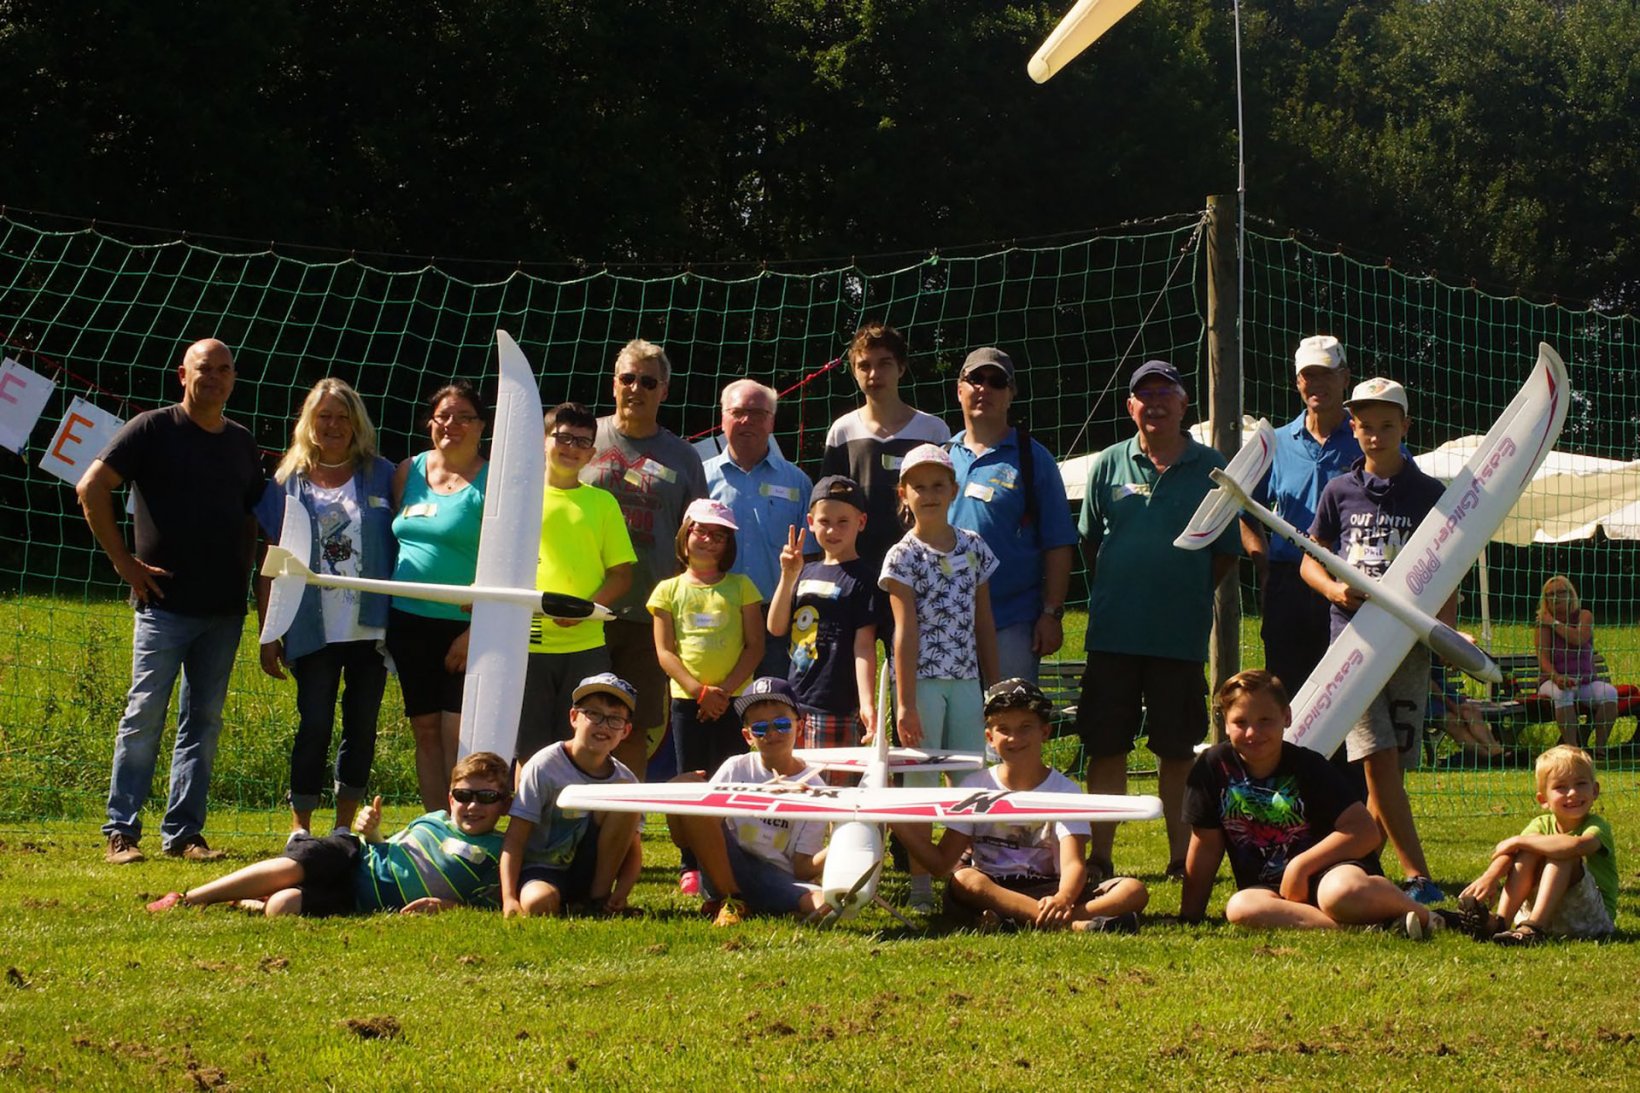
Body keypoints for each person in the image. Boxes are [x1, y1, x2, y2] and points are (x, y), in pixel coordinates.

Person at [76, 337, 266, 864]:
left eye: (225, 369)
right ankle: (121, 831)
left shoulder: (242, 442)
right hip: (163, 605)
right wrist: (124, 563)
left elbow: (257, 518)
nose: (215, 377)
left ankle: (184, 835)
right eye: (205, 368)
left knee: (202, 724)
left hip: (224, 610)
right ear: (183, 375)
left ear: (234, 379)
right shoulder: (151, 429)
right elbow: (91, 488)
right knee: (143, 717)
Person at [1075, 359, 1239, 881]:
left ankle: (1180, 860)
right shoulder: (1108, 463)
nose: (1155, 404)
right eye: (1144, 395)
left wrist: (1181, 592)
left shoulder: (1211, 466)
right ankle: (1099, 857)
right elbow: (1090, 543)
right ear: (1130, 407)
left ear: (1184, 404)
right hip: (1112, 635)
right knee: (1106, 747)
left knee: (1177, 750)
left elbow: (1224, 553)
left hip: (1178, 638)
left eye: (1166, 393)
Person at [1303, 376, 1447, 906]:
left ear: (1405, 427)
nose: (1375, 435)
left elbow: (1449, 567)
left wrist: (1445, 631)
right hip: (1354, 644)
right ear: (1353, 427)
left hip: (1408, 646)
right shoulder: (1338, 490)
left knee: (1390, 773)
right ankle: (1417, 876)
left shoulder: (1430, 494)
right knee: (1376, 759)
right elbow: (1309, 560)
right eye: (1365, 425)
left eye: (1387, 425)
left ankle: (1358, 864)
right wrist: (1335, 590)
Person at [1180, 671, 1444, 937]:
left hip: (1333, 872)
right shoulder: (1213, 767)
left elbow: (1365, 832)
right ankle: (1370, 928)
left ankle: (1431, 918)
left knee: (1340, 894)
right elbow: (1206, 846)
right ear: (1225, 723)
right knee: (1240, 907)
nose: (1252, 732)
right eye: (1240, 722)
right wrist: (1190, 916)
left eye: (1265, 720)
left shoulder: (1309, 766)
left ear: (1286, 717)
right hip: (1272, 891)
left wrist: (1301, 867)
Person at [253, 378, 397, 837]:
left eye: (342, 417)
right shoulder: (286, 481)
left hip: (369, 628)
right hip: (311, 626)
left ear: (357, 423)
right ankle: (300, 825)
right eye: (324, 416)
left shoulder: (383, 474)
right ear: (309, 423)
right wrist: (268, 631)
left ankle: (342, 827)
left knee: (362, 725)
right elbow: (271, 561)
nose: (333, 425)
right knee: (314, 723)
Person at [892, 678, 1149, 933]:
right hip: (993, 888)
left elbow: (1073, 863)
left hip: (1051, 888)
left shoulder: (1065, 790)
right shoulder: (975, 785)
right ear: (990, 738)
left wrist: (1063, 898)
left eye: (1026, 727)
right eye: (1004, 729)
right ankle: (1073, 923)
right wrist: (894, 819)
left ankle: (1025, 919)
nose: (1015, 737)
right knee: (964, 879)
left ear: (1045, 732)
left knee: (1133, 890)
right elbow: (941, 864)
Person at [144, 751, 512, 916]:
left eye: (486, 797)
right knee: (293, 865)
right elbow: (388, 849)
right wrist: (372, 831)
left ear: (504, 805)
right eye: (463, 795)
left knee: (283, 907)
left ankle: (247, 899)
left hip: (359, 898)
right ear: (450, 797)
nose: (472, 806)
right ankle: (189, 898)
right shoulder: (432, 819)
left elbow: (493, 904)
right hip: (354, 855)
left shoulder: (500, 850)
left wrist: (450, 907)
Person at [581, 339, 709, 779]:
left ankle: (624, 815)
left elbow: (696, 537)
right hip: (581, 611)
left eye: (649, 382)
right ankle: (571, 811)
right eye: (628, 378)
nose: (636, 388)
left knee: (632, 726)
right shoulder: (582, 438)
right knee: (576, 718)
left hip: (647, 614)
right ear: (613, 383)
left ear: (664, 391)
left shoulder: (684, 457)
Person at [880, 443, 999, 912]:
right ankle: (921, 887)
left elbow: (984, 621)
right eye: (918, 486)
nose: (928, 494)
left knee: (974, 780)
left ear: (953, 489)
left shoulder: (974, 546)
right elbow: (903, 631)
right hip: (922, 684)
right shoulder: (902, 555)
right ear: (904, 494)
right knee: (920, 784)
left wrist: (996, 690)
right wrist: (905, 703)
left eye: (937, 485)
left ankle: (979, 877)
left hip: (967, 682)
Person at [386, 381, 489, 813]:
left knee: (457, 732)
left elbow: (509, 559)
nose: (452, 425)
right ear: (430, 422)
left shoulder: (494, 480)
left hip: (466, 627)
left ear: (481, 426)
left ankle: (465, 823)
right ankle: (434, 826)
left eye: (464, 417)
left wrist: (475, 629)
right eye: (444, 416)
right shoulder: (407, 471)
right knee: (425, 731)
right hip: (408, 621)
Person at [948, 347, 1077, 685]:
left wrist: (1051, 613)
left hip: (1012, 621)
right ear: (959, 389)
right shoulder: (941, 457)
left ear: (1011, 395)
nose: (984, 388)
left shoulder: (1035, 459)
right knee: (947, 720)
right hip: (945, 622)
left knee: (1009, 716)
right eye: (976, 378)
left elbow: (1059, 543)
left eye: (997, 381)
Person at [515, 401, 635, 761]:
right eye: (563, 438)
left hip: (585, 648)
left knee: (581, 749)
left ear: (592, 453)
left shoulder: (603, 503)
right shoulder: (516, 498)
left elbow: (622, 576)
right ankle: (527, 802)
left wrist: (584, 610)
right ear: (543, 441)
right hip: (526, 646)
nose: (571, 448)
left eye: (582, 442)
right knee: (529, 752)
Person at [1242, 335, 1358, 700]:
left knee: (1346, 690)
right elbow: (1245, 511)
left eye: (1326, 373)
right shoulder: (1273, 443)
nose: (1317, 383)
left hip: (1351, 583)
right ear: (1297, 382)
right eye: (1309, 375)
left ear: (1345, 378)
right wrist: (1264, 567)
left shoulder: (1368, 439)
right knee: (1286, 691)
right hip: (1287, 584)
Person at [668, 677, 828, 925]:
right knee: (699, 800)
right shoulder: (735, 767)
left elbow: (803, 868)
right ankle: (732, 900)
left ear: (800, 726)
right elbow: (686, 837)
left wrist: (838, 848)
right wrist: (675, 795)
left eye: (782, 724)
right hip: (726, 866)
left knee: (825, 904)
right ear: (747, 736)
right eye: (760, 728)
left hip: (775, 877)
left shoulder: (816, 787)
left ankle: (758, 904)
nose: (772, 733)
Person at [649, 498, 765, 809]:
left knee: (731, 777)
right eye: (701, 531)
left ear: (729, 544)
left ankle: (729, 835)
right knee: (690, 777)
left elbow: (755, 646)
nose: (708, 540)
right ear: (685, 534)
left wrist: (722, 693)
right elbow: (665, 651)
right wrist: (700, 692)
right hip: (688, 701)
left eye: (719, 535)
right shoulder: (667, 590)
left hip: (734, 699)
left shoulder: (742, 586)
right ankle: (689, 840)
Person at [500, 674, 644, 918]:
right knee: (538, 904)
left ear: (625, 731)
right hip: (542, 869)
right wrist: (509, 898)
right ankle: (568, 902)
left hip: (591, 871)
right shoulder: (544, 766)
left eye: (615, 719)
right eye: (594, 714)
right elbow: (515, 838)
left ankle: (598, 901)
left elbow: (633, 849)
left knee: (626, 797)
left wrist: (622, 890)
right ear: (574, 717)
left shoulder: (626, 779)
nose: (603, 725)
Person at [704, 379, 813, 681]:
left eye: (757, 413)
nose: (746, 420)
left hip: (777, 620)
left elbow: (812, 556)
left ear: (771, 421)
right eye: (738, 412)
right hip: (714, 612)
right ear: (722, 418)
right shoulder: (701, 478)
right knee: (716, 699)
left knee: (773, 701)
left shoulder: (798, 482)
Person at [820, 322, 950, 576]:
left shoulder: (934, 430)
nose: (874, 374)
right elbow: (829, 505)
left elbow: (949, 501)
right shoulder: (842, 431)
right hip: (858, 568)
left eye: (884, 364)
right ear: (854, 372)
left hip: (923, 564)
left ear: (901, 368)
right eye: (864, 366)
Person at [1455, 744, 1617, 944]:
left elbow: (1577, 846)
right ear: (1543, 799)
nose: (1572, 793)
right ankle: (1501, 922)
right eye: (1561, 787)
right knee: (1528, 851)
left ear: (1595, 790)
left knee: (1562, 853)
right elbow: (1510, 853)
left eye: (1581, 783)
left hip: (1591, 920)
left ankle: (1534, 929)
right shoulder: (1540, 824)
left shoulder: (1597, 826)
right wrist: (1490, 877)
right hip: (1540, 913)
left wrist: (1517, 840)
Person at [767, 475, 880, 758]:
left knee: (831, 783)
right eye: (825, 521)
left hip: (836, 706)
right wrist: (788, 576)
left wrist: (867, 703)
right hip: (795, 703)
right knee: (795, 780)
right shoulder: (803, 571)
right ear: (810, 522)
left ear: (861, 522)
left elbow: (864, 646)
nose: (832, 530)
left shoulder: (865, 579)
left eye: (843, 522)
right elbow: (776, 627)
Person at [1535, 575, 1620, 749]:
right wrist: (1557, 678)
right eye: (1550, 594)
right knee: (1563, 693)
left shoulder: (1584, 615)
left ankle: (1600, 749)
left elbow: (1579, 638)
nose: (1556, 597)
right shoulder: (1542, 624)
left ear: (1570, 594)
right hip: (1552, 681)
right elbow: (1543, 659)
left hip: (1584, 681)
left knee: (1610, 693)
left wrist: (1553, 623)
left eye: (1561, 592)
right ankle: (1572, 749)